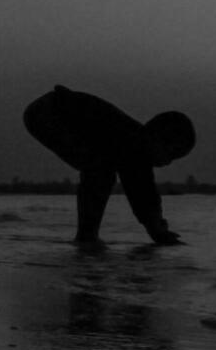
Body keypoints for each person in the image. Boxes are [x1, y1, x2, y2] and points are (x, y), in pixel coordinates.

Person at [22, 85, 194, 245]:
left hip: (51, 109)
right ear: (157, 138)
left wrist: (156, 226)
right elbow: (141, 191)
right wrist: (156, 230)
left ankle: (87, 235)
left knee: (100, 168)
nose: (168, 163)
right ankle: (86, 236)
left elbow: (143, 190)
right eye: (171, 155)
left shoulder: (136, 145)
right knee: (100, 170)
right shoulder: (133, 143)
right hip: (48, 112)